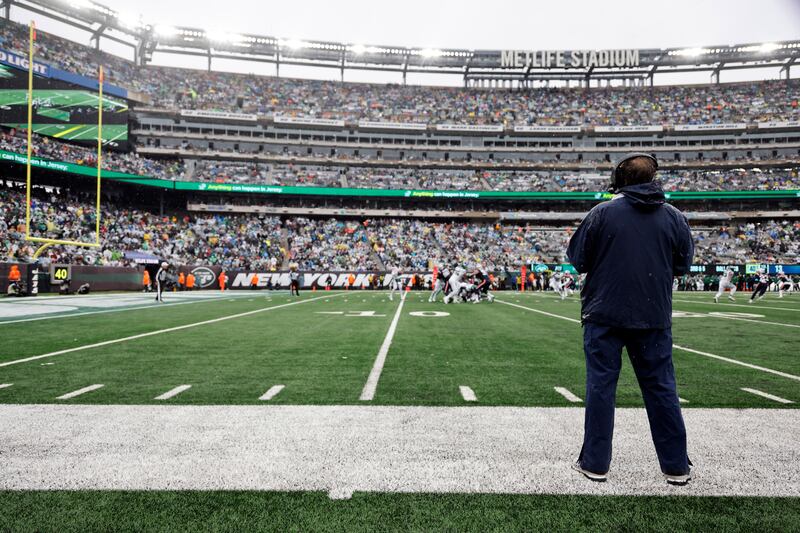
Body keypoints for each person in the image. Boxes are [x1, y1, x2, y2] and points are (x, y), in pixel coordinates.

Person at [566, 153, 694, 486]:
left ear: (619, 180)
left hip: (604, 314)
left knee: (601, 388)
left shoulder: (601, 213)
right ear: (654, 178)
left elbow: (577, 260)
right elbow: (683, 265)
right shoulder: (674, 216)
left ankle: (595, 464)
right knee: (662, 389)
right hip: (653, 315)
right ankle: (676, 466)